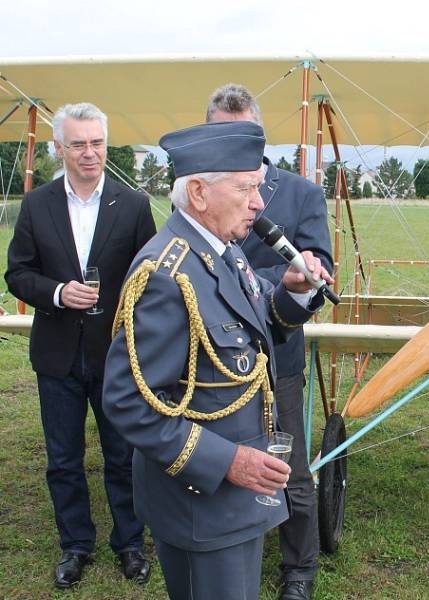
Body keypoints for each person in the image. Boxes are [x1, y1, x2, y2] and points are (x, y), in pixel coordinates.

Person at [102, 120, 333, 600]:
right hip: (201, 505)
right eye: (247, 187)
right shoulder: (165, 275)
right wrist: (227, 461)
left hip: (234, 501)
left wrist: (295, 293)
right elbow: (127, 400)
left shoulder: (221, 250)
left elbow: (256, 318)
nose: (259, 202)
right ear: (200, 193)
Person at [5, 102, 156, 588]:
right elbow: (18, 273)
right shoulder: (37, 204)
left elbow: (150, 278)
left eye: (96, 142)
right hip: (57, 356)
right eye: (78, 144)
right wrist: (56, 293)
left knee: (123, 455)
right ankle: (76, 545)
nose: (89, 153)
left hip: (116, 355)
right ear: (59, 148)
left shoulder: (132, 205)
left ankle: (130, 544)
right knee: (64, 459)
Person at [207, 83, 333, 600]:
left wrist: (307, 276)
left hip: (276, 357)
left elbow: (319, 275)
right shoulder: (199, 193)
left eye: (245, 135)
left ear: (261, 136)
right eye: (222, 135)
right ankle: (226, 550)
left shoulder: (302, 194)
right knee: (224, 461)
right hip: (213, 361)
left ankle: (298, 571)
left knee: (290, 467)